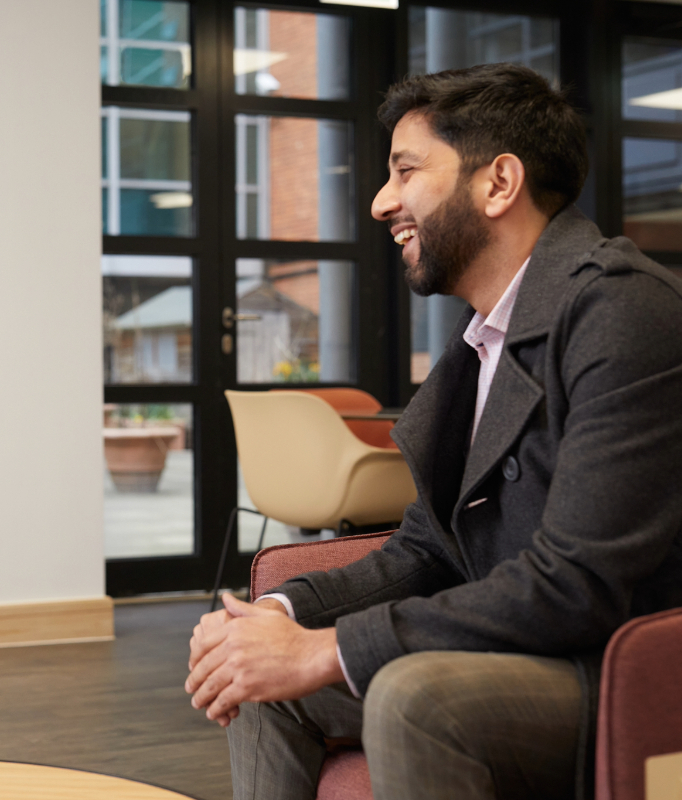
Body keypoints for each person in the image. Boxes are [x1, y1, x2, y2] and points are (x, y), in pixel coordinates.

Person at [185, 64, 682, 800]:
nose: (383, 202)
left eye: (406, 169)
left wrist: (328, 651)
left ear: (498, 183)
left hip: (621, 667)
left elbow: (576, 585)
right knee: (259, 680)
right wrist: (276, 618)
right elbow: (427, 549)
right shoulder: (483, 338)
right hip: (523, 649)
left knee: (418, 698)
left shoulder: (622, 311)